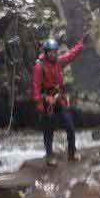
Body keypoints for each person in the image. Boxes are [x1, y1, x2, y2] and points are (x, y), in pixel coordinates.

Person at [32, 35, 85, 166]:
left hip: (59, 99)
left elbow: (70, 56)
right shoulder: (39, 66)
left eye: (55, 52)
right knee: (48, 129)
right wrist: (39, 103)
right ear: (46, 52)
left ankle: (72, 153)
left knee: (70, 126)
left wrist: (80, 45)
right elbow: (36, 86)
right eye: (51, 52)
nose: (54, 54)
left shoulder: (58, 62)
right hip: (46, 100)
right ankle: (49, 155)